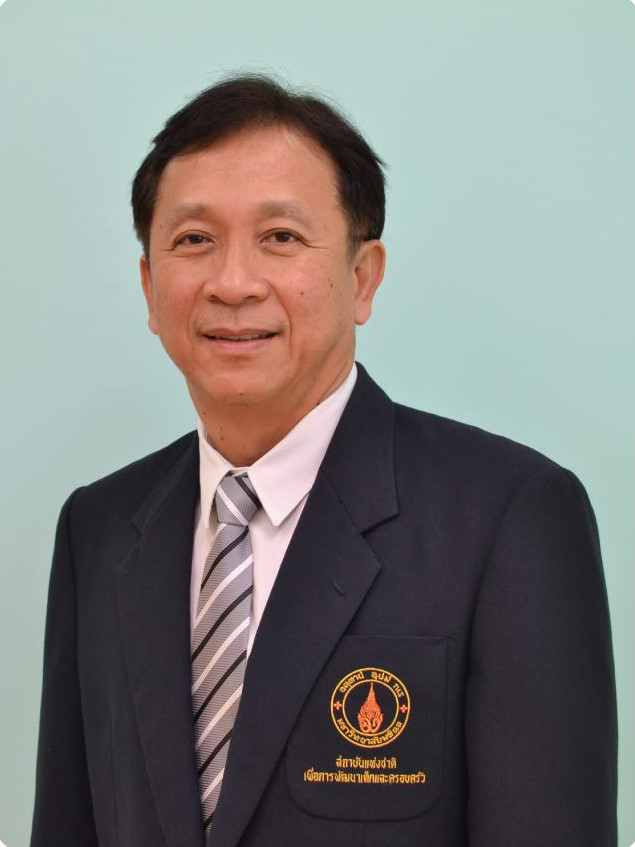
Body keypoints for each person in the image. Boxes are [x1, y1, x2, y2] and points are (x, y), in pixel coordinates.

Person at [30, 75, 617, 847]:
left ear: (361, 277)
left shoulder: (509, 516)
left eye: (280, 237)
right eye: (194, 239)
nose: (232, 283)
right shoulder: (99, 529)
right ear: (148, 283)